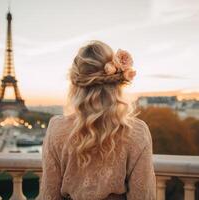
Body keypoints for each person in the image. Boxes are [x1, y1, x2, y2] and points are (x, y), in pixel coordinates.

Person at [40, 40, 156, 200]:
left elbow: (49, 195)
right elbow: (143, 195)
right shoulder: (137, 132)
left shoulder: (56, 128)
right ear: (117, 80)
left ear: (75, 83)